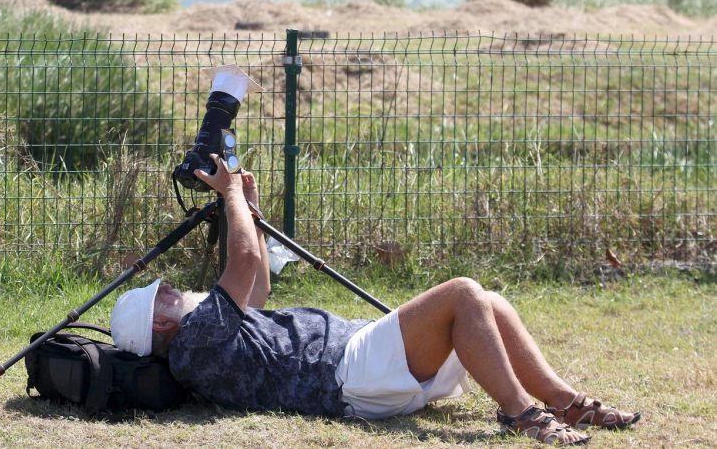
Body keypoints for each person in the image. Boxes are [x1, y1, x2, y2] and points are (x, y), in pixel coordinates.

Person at [110, 155, 640, 445]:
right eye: (161, 295)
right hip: (349, 373)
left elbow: (257, 287)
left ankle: (567, 404)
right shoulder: (193, 344)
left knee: (490, 301)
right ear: (158, 327)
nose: (170, 288)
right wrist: (226, 197)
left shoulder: (206, 340)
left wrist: (247, 206)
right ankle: (523, 415)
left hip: (356, 366)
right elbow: (243, 266)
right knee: (462, 293)